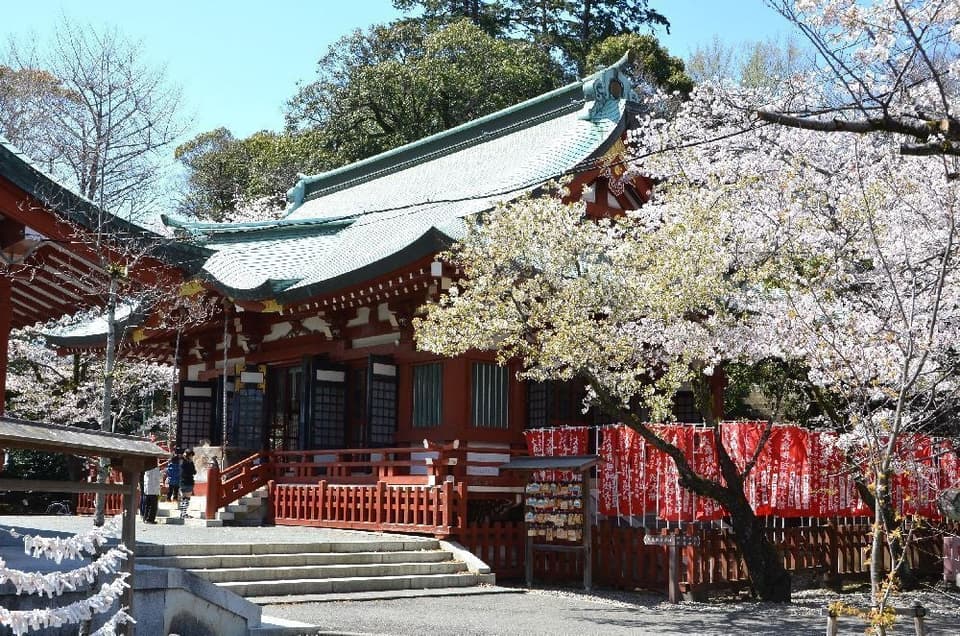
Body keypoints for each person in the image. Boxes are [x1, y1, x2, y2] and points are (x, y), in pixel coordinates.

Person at [142, 459, 161, 523]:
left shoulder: (146, 469)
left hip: (147, 490)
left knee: (147, 505)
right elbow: (158, 478)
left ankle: (145, 518)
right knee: (153, 506)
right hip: (154, 490)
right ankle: (151, 519)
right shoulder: (155, 469)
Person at [179, 449, 197, 519]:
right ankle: (184, 513)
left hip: (182, 481)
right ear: (190, 455)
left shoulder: (181, 462)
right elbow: (194, 472)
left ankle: (182, 513)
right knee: (187, 499)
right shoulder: (190, 463)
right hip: (189, 481)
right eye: (192, 455)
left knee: (183, 498)